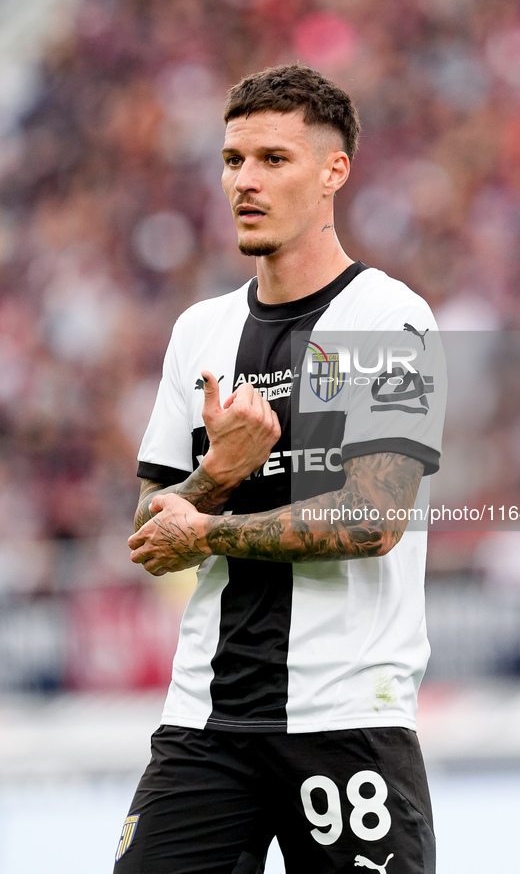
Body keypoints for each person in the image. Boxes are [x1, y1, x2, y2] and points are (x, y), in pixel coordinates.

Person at [116, 64, 446, 874]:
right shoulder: (201, 330)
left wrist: (210, 521)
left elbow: (372, 518)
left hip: (344, 719)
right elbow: (154, 533)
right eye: (232, 160)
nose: (244, 181)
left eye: (273, 159)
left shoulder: (387, 320)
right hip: (205, 722)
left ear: (334, 171)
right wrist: (215, 473)